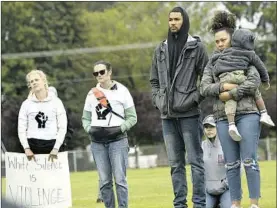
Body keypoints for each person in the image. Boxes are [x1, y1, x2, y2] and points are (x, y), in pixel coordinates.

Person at [200, 10, 262, 208]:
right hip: (222, 117)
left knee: (249, 161)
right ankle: (235, 204)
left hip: (248, 114)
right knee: (231, 164)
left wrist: (231, 94)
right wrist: (224, 87)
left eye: (223, 40)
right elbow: (204, 87)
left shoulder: (245, 56)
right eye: (216, 41)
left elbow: (254, 81)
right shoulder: (212, 62)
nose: (219, 44)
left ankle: (254, 204)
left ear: (232, 39)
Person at [150, 6, 209, 208]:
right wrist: (159, 101)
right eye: (170, 19)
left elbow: (207, 78)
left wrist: (194, 98)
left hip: (190, 115)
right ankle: (179, 204)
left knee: (195, 162)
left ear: (184, 21)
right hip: (167, 116)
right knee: (175, 165)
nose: (173, 23)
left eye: (177, 19)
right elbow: (154, 81)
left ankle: (200, 203)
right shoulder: (160, 49)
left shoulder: (197, 47)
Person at [82, 60, 137, 208]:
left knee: (120, 179)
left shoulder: (122, 91)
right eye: (96, 73)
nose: (99, 75)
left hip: (118, 140)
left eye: (102, 72)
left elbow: (132, 117)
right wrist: (89, 129)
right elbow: (85, 118)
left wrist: (120, 129)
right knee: (105, 181)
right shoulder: (91, 94)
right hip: (97, 142)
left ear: (109, 72)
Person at [210, 27, 275, 141]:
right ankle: (264, 113)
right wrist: (265, 80)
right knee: (255, 90)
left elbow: (215, 60)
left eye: (223, 40)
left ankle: (231, 125)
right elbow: (261, 67)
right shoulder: (249, 53)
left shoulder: (224, 52)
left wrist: (218, 74)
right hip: (239, 75)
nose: (220, 44)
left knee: (230, 100)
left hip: (224, 77)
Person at [18, 69, 67, 162]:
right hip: (32, 145)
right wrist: (26, 148)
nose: (34, 83)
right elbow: (21, 128)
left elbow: (62, 127)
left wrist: (56, 148)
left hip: (52, 144)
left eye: (36, 80)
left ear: (44, 81)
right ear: (30, 85)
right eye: (31, 81)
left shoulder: (56, 102)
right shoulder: (26, 104)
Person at [202, 115, 231, 208]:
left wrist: (225, 184)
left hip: (226, 189)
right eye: (206, 127)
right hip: (207, 191)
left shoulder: (228, 145)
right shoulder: (200, 146)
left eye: (212, 127)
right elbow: (195, 170)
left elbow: (237, 168)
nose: (209, 130)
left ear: (218, 127)